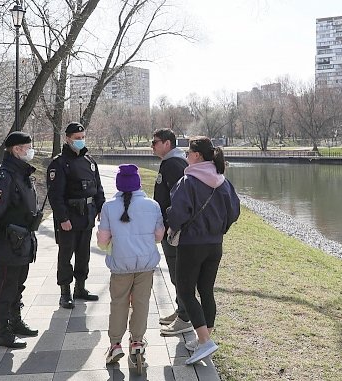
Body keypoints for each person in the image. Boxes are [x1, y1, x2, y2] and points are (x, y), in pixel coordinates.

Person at [167, 136, 240, 365]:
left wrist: (172, 228)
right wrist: (220, 230)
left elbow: (177, 213)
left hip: (192, 244)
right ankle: (204, 337)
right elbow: (234, 212)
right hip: (214, 244)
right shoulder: (223, 181)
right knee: (206, 290)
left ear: (197, 155)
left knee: (186, 292)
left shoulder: (188, 181)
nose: (186, 156)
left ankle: (205, 341)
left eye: (188, 152)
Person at [97, 164, 165, 364]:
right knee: (141, 303)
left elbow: (102, 240)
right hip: (146, 264)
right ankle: (137, 341)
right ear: (138, 184)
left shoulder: (109, 207)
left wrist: (107, 245)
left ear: (119, 185)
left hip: (120, 264)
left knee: (119, 302)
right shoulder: (152, 205)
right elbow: (159, 236)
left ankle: (115, 344)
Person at [0, 131, 40, 349]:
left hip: (22, 239)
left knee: (17, 284)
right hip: (8, 240)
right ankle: (1, 332)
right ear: (16, 149)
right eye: (27, 147)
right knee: (5, 286)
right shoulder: (4, 176)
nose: (30, 150)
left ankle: (15, 321)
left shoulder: (21, 173)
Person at [47, 122, 105, 309]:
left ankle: (80, 288)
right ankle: (65, 292)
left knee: (83, 254)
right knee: (66, 255)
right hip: (70, 217)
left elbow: (98, 187)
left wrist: (101, 208)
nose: (80, 141)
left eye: (82, 137)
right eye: (77, 138)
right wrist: (63, 218)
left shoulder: (89, 161)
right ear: (67, 138)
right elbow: (55, 196)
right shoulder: (59, 163)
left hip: (87, 215)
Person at [150, 128, 193, 335]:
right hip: (171, 227)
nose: (152, 145)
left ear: (167, 143)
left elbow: (179, 199)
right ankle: (181, 310)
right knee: (177, 273)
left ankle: (185, 317)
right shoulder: (172, 162)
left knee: (179, 273)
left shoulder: (173, 164)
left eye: (155, 142)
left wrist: (171, 225)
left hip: (175, 229)